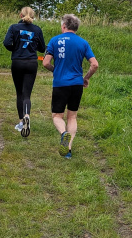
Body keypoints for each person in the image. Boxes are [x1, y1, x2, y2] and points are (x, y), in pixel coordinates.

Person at [42, 14, 98, 159]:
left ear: (63, 26)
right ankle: (69, 150)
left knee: (57, 116)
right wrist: (86, 78)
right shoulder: (83, 43)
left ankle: (63, 134)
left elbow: (45, 63)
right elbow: (94, 64)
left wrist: (56, 70)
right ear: (76, 28)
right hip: (77, 84)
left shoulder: (54, 40)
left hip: (60, 83)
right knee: (72, 116)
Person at [3, 7, 46, 137]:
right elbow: (42, 48)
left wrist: (15, 49)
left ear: (20, 15)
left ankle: (21, 121)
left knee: (19, 93)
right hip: (31, 63)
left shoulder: (14, 27)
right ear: (33, 16)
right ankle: (27, 115)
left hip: (17, 62)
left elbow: (6, 43)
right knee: (27, 94)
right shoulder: (37, 29)